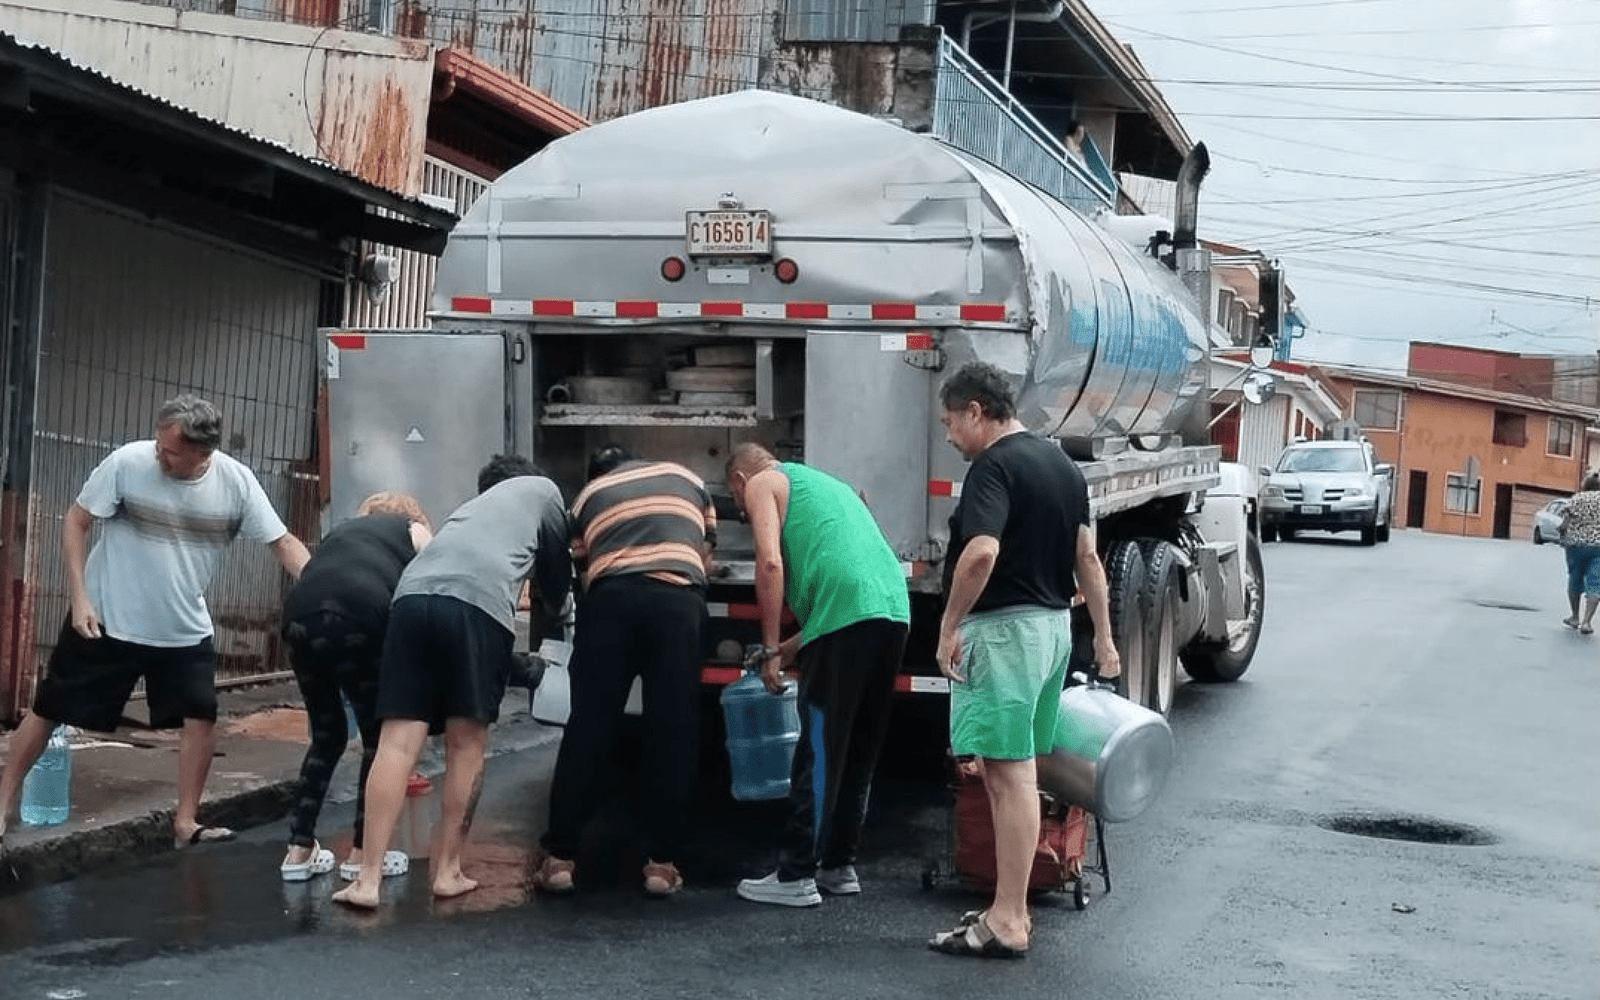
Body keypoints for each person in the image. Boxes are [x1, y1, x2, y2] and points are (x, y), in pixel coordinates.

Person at [0, 394, 309, 850]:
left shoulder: (236, 483)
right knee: (50, 708)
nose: (160, 455)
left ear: (204, 453)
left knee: (201, 716)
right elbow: (76, 521)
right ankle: (4, 804)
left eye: (171, 452)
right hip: (106, 617)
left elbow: (282, 542)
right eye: (159, 446)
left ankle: (187, 822)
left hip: (182, 627)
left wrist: (322, 584)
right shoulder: (128, 462)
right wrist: (80, 596)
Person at [927, 362, 1121, 959]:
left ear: (976, 412)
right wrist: (1106, 641)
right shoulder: (1063, 465)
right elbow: (1088, 558)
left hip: (1006, 634)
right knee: (1021, 777)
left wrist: (948, 624)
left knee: (1007, 778)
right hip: (1052, 631)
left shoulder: (994, 467)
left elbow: (982, 551)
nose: (950, 436)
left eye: (950, 422)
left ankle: (1009, 917)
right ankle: (1007, 908)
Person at [333, 455, 570, 909]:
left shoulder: (472, 510)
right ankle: (447, 872)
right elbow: (556, 589)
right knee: (466, 743)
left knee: (397, 744)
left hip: (411, 600)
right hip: (476, 608)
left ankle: (366, 880)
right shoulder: (547, 496)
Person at [725, 442, 910, 908]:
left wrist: (769, 649)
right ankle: (838, 865)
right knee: (859, 748)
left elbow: (769, 563)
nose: (742, 510)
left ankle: (796, 875)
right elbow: (841, 597)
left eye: (735, 500)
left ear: (740, 481)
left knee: (822, 745)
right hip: (892, 609)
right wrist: (788, 649)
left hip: (849, 614)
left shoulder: (765, 481)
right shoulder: (830, 487)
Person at [534, 445, 716, 898]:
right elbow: (705, 552)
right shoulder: (687, 477)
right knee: (672, 731)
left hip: (611, 603)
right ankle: (661, 865)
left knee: (589, 730)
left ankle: (559, 860)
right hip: (678, 602)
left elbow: (583, 569)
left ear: (600, 473)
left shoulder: (587, 496)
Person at [277, 492, 433, 882]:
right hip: (363, 614)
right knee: (378, 739)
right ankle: (364, 853)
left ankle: (298, 850)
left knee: (326, 734)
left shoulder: (340, 535)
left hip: (299, 615)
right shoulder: (413, 531)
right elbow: (432, 585)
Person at [1559, 470, 1600, 635]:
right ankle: (1587, 622)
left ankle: (1575, 616)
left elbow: (1564, 525)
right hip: (1598, 547)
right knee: (1595, 583)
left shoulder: (1575, 499)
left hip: (1575, 546)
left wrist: (1562, 536)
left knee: (1574, 580)